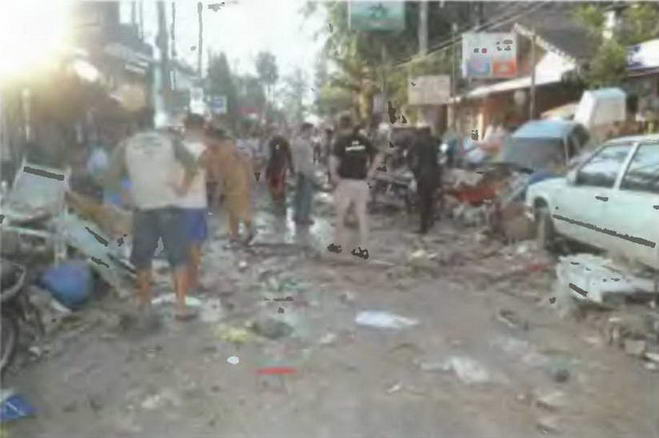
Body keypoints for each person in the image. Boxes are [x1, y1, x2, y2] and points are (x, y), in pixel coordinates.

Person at [104, 109, 199, 323]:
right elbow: (192, 165)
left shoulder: (125, 145)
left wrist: (126, 196)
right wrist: (183, 189)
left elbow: (110, 176)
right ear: (153, 122)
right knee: (178, 258)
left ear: (135, 124)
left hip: (143, 208)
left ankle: (146, 303)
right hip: (169, 206)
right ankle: (181, 306)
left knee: (143, 259)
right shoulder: (170, 141)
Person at [330, 113, 383, 254]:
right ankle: (363, 249)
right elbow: (378, 156)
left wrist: (334, 175)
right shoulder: (363, 139)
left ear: (340, 125)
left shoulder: (340, 141)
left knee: (341, 215)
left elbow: (333, 161)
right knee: (361, 215)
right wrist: (371, 172)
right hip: (361, 182)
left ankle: (337, 246)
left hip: (345, 181)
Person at [174, 113, 209, 294]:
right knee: (194, 245)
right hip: (195, 204)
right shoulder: (201, 148)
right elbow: (196, 170)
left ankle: (187, 282)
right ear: (200, 128)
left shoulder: (176, 148)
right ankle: (192, 283)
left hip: (180, 204)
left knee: (186, 245)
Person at [207, 127, 256, 245]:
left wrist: (251, 178)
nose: (207, 141)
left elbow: (245, 161)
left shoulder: (229, 146)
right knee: (231, 209)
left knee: (240, 207)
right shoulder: (213, 151)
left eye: (209, 138)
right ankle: (234, 235)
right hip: (228, 182)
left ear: (215, 138)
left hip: (238, 181)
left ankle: (250, 229)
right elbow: (215, 170)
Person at [408, 123, 441, 234]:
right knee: (431, 199)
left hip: (423, 175)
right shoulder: (435, 142)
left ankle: (423, 228)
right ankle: (430, 221)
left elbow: (409, 156)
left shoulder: (418, 142)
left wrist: (414, 171)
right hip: (435, 174)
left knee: (423, 200)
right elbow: (440, 158)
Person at [291, 122, 318, 225]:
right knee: (306, 196)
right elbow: (305, 161)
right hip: (304, 172)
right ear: (306, 130)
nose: (312, 132)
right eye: (311, 130)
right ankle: (304, 217)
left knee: (299, 195)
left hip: (299, 171)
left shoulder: (298, 142)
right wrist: (311, 175)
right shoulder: (303, 144)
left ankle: (297, 215)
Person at [265, 133, 295, 210]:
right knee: (280, 187)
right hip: (280, 171)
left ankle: (277, 203)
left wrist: (267, 173)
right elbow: (290, 160)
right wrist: (292, 171)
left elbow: (270, 160)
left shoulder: (275, 149)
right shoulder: (285, 150)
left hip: (276, 171)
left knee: (275, 187)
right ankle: (280, 204)